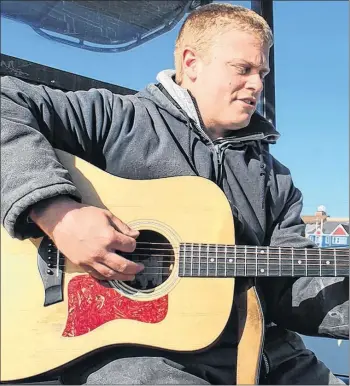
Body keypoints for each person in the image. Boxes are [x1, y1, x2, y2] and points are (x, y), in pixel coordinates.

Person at [1, 3, 348, 385]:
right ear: (191, 63)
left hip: (265, 354)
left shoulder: (274, 179)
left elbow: (290, 285)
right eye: (243, 69)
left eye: (262, 73)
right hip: (135, 357)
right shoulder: (116, 120)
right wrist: (57, 213)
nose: (258, 84)